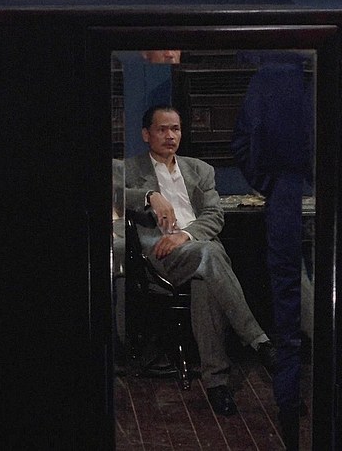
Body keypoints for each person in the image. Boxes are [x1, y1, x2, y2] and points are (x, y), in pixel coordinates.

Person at [116, 104, 277, 416]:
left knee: (207, 275)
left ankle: (217, 384)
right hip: (161, 255)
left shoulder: (200, 170)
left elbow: (214, 215)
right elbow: (108, 189)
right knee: (211, 254)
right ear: (146, 134)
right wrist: (150, 196)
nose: (170, 135)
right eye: (162, 129)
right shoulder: (129, 168)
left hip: (195, 249)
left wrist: (186, 235)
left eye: (175, 129)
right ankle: (259, 342)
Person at [231, 51, 314, 450]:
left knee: (289, 306)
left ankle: (290, 407)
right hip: (295, 190)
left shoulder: (269, 77)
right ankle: (293, 405)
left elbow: (243, 142)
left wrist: (271, 183)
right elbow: (244, 141)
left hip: (285, 193)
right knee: (295, 298)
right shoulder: (288, 75)